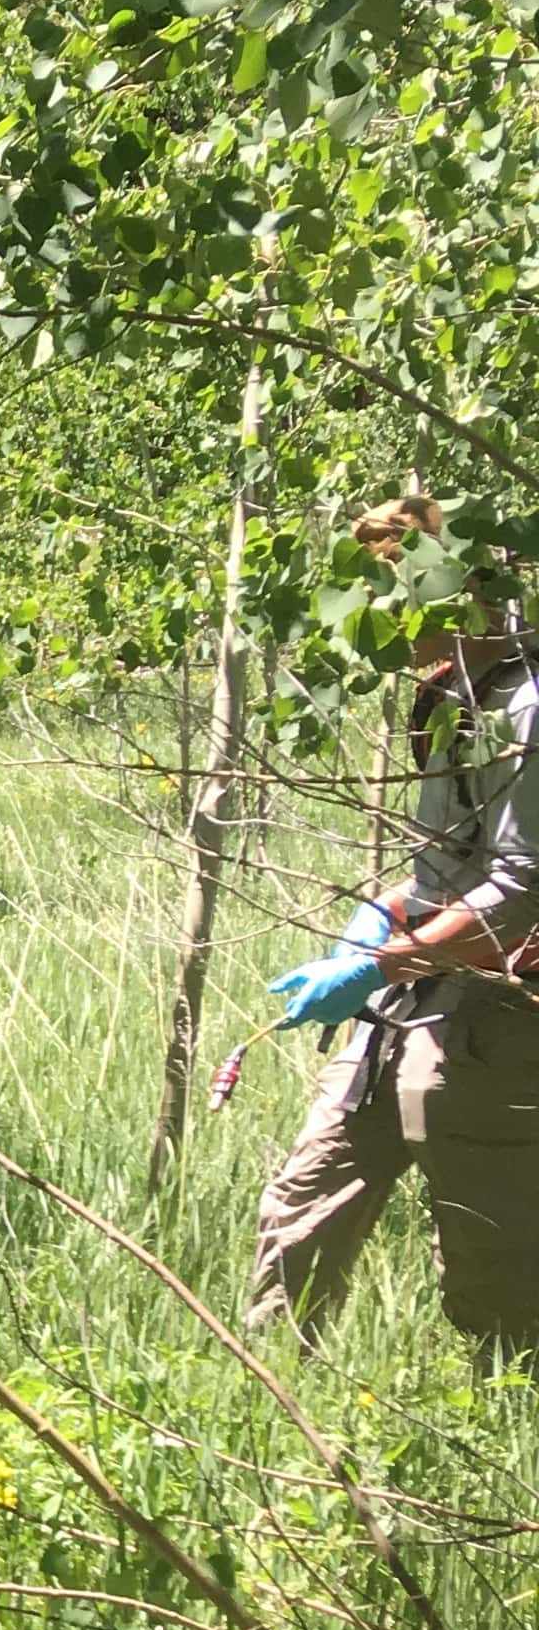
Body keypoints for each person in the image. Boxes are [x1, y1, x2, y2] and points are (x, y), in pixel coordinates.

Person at [248, 499, 539, 1367]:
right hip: (413, 985)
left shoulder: (527, 708)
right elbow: (452, 868)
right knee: (304, 1196)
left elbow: (521, 894)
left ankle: (504, 1424)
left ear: (453, 591)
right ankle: (270, 1396)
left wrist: (379, 962)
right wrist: (385, 915)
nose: (378, 632)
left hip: (500, 1016)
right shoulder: (447, 695)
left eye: (391, 603)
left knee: (491, 1254)